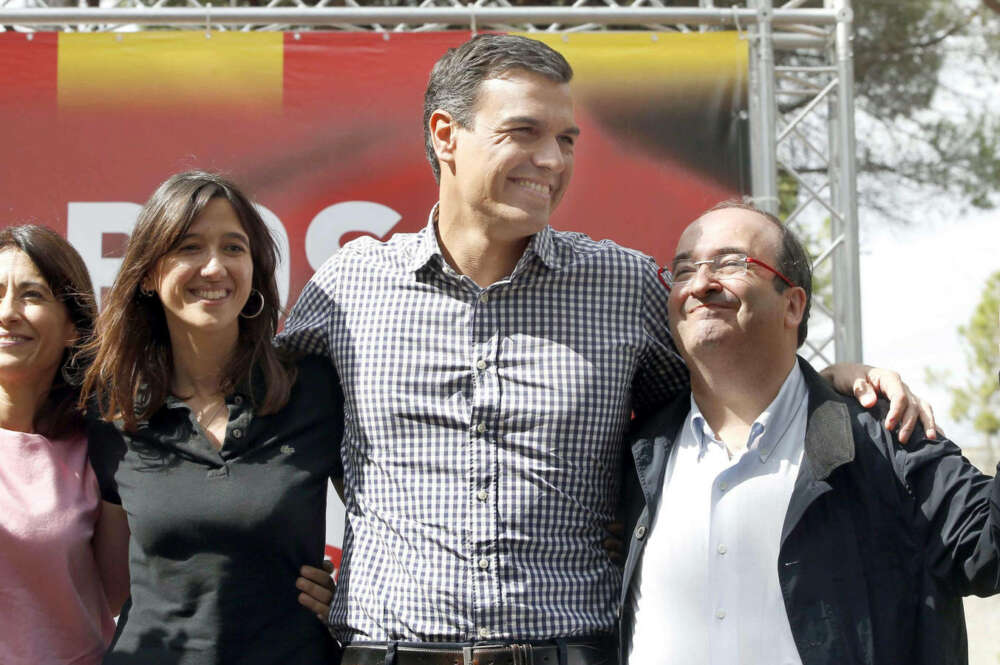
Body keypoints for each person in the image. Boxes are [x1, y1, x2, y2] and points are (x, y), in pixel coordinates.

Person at [279, 33, 937, 665]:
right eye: (524, 133)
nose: (554, 161)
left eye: (566, 140)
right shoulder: (351, 286)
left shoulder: (621, 285)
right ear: (446, 135)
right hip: (387, 650)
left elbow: (733, 395)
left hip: (572, 649)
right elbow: (254, 423)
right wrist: (278, 563)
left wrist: (830, 379)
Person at [620, 201, 1000, 665]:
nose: (700, 284)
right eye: (682, 270)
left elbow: (988, 549)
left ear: (793, 304)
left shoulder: (886, 439)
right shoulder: (636, 456)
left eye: (730, 263)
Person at [81, 171, 344, 665]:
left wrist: (355, 597)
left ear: (256, 268)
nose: (214, 267)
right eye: (188, 247)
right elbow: (113, 587)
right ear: (146, 275)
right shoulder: (113, 408)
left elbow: (394, 522)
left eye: (233, 247)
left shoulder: (313, 389)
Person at [0, 225, 129, 665]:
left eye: (31, 295)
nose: (8, 312)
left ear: (74, 328)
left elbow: (118, 592)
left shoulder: (103, 448)